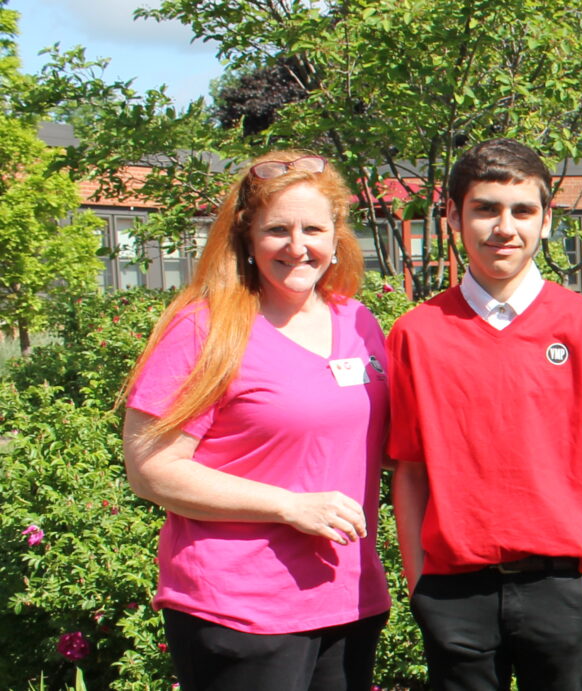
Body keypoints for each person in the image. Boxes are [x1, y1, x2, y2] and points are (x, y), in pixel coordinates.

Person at [122, 151, 390, 691]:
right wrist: (286, 505)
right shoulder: (206, 328)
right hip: (241, 608)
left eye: (313, 228)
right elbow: (151, 468)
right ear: (247, 238)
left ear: (337, 237)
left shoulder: (358, 322)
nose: (298, 246)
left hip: (347, 599)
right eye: (277, 230)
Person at [386, 138, 582, 690]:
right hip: (453, 593)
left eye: (523, 210)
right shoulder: (416, 334)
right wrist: (418, 583)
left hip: (560, 589)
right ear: (454, 216)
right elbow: (410, 469)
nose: (505, 227)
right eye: (485, 209)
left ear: (546, 220)